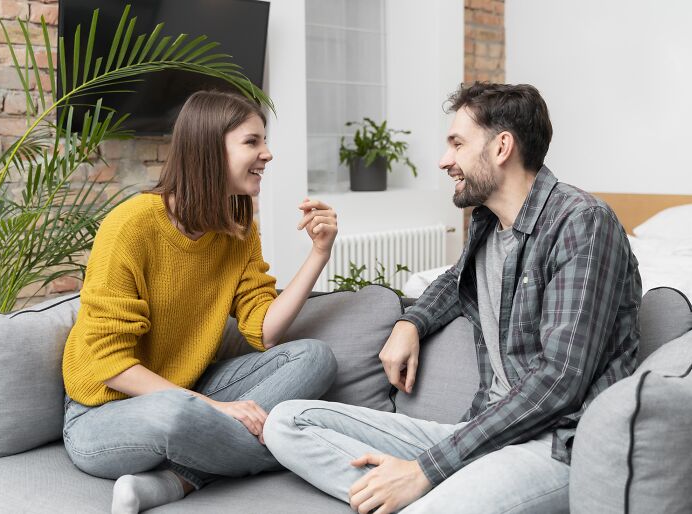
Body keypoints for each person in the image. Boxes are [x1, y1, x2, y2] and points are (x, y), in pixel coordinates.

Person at [263, 82, 642, 513]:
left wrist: (426, 469)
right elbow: (455, 280)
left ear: (502, 147)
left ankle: (421, 493)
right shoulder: (487, 223)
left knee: (427, 495)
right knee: (287, 422)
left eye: (457, 144)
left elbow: (558, 382)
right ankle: (410, 493)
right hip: (480, 431)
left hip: (552, 442)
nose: (445, 160)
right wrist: (411, 322)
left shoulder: (583, 224)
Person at [61, 91, 339, 514]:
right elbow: (108, 365)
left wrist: (319, 252)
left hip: (185, 390)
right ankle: (306, 453)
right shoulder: (130, 226)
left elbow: (262, 331)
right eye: (252, 142)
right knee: (174, 414)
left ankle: (178, 480)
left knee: (315, 358)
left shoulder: (238, 229)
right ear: (209, 148)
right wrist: (218, 410)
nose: (267, 153)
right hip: (102, 414)